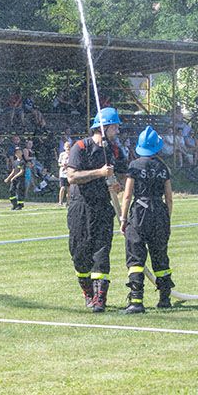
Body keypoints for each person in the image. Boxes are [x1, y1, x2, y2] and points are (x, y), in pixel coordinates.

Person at [66, 107, 127, 313]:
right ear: (104, 127)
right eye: (115, 126)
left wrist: (117, 184)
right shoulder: (80, 147)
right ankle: (88, 294)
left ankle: (100, 299)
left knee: (102, 254)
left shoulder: (114, 150)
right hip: (80, 207)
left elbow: (122, 175)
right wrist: (99, 172)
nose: (117, 130)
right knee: (79, 254)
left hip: (102, 206)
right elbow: (72, 177)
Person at [118, 126, 175, 314]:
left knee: (135, 255)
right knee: (160, 255)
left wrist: (123, 218)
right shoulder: (163, 167)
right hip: (159, 212)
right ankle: (165, 298)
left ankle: (136, 301)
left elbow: (127, 195)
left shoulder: (134, 166)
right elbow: (169, 197)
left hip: (139, 213)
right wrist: (167, 217)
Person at [4, 146, 26, 210]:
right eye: (16, 152)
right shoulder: (15, 162)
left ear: (21, 153)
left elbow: (21, 171)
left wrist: (14, 177)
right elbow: (13, 171)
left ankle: (20, 205)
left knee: (19, 192)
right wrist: (8, 178)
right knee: (11, 191)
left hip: (20, 180)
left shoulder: (22, 162)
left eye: (19, 152)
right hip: (15, 180)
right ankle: (14, 204)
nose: (18, 153)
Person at [58, 140, 71, 207]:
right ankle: (60, 201)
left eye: (69, 146)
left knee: (69, 189)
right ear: (64, 147)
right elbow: (59, 163)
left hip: (69, 173)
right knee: (62, 188)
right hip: (63, 173)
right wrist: (63, 165)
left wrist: (68, 165)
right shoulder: (62, 154)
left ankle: (68, 202)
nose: (68, 148)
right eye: (66, 146)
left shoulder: (72, 154)